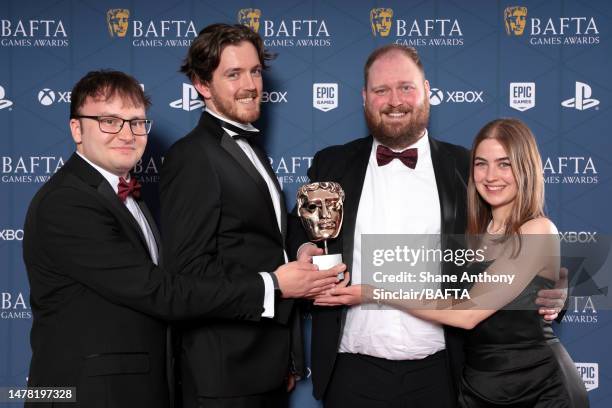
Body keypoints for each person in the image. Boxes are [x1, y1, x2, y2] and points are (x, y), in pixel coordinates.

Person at [22, 70, 339, 408]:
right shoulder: (68, 202)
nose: (126, 134)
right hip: (89, 394)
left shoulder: (124, 197)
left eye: (136, 122)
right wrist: (272, 285)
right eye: (109, 121)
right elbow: (160, 291)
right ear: (76, 129)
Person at [294, 45, 566, 407]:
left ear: (426, 92)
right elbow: (297, 230)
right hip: (350, 370)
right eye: (381, 90)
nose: (395, 100)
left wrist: (554, 285)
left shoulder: (468, 168)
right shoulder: (332, 163)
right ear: (365, 98)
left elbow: (516, 244)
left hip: (443, 373)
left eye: (406, 87)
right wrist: (302, 250)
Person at [318, 118, 588, 407]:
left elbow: (468, 313)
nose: (491, 175)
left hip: (538, 388)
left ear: (526, 168)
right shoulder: (472, 231)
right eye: (481, 163)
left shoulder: (537, 228)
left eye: (504, 164)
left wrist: (374, 291)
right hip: (478, 385)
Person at [159, 23, 345, 408]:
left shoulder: (249, 147)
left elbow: (257, 241)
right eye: (233, 74)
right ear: (202, 85)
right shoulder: (192, 156)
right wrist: (275, 284)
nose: (250, 84)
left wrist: (301, 249)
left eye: (255, 71)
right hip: (223, 376)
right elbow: (187, 276)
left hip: (265, 366)